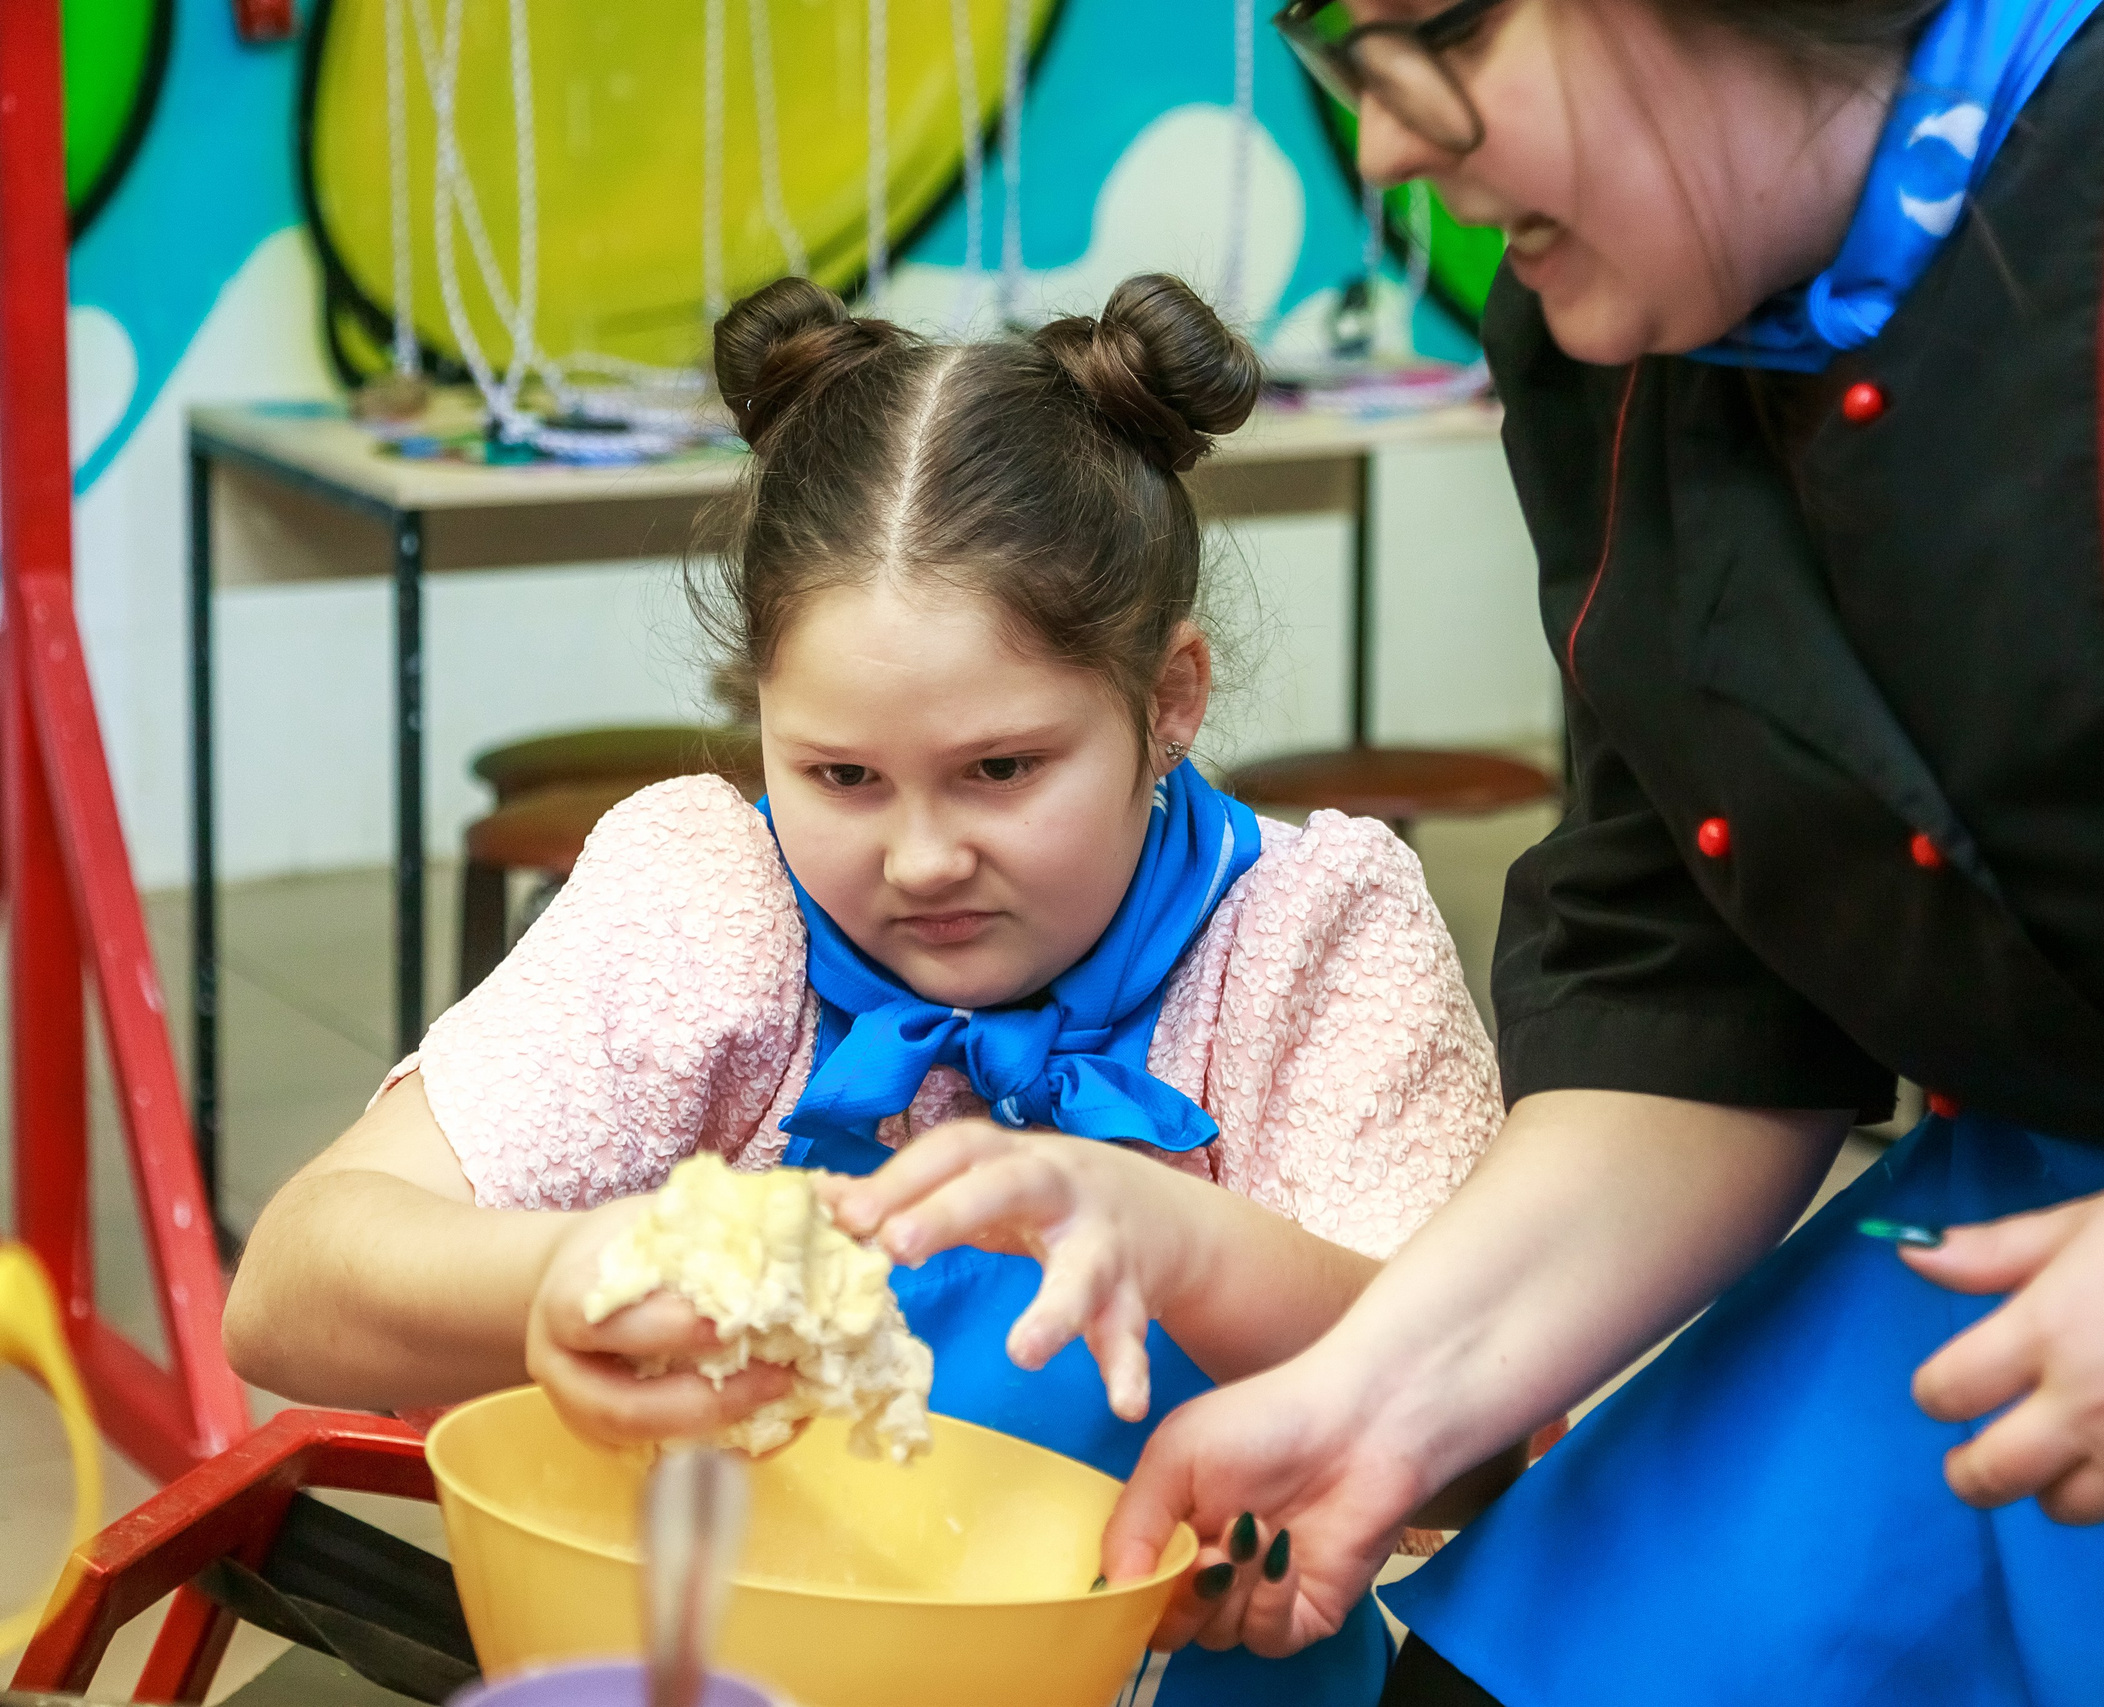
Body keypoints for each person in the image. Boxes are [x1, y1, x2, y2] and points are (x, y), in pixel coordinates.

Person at [1075, 2, 2104, 1702]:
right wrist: (1387, 1393)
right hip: (2040, 1240)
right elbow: (1700, 986)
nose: (1391, 142)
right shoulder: (1613, 334)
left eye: (1449, 35)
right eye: (1344, 54)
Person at [222, 272, 1506, 1707]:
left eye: (1002, 771)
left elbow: (1492, 1435)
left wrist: (1186, 1250)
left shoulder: (1308, 940)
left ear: (1171, 700)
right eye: (839, 775)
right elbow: (288, 1293)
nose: (919, 858)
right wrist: (566, 1273)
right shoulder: (718, 902)